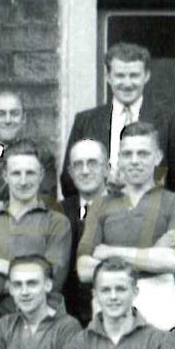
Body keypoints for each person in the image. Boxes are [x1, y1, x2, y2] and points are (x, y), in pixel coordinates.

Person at [76, 121, 175, 331]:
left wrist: (110, 252)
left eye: (143, 154)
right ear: (119, 159)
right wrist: (152, 254)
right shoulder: (100, 205)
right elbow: (84, 269)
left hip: (160, 310)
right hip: (111, 307)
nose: (135, 161)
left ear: (157, 157)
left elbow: (174, 260)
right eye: (128, 154)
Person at [64, 42, 175, 197]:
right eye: (120, 76)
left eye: (134, 76)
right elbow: (68, 181)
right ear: (108, 77)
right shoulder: (85, 121)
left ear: (146, 76)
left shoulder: (170, 121)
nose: (127, 84)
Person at [0, 139, 71, 317]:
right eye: (16, 173)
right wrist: (30, 281)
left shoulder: (57, 223)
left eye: (30, 173)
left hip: (44, 324)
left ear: (41, 175)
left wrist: (2, 266)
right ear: (5, 176)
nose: (23, 181)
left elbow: (53, 280)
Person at [58, 138, 110, 323]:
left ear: (107, 169)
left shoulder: (125, 209)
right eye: (78, 165)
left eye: (92, 163)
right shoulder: (58, 212)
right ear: (70, 172)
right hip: (68, 318)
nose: (85, 171)